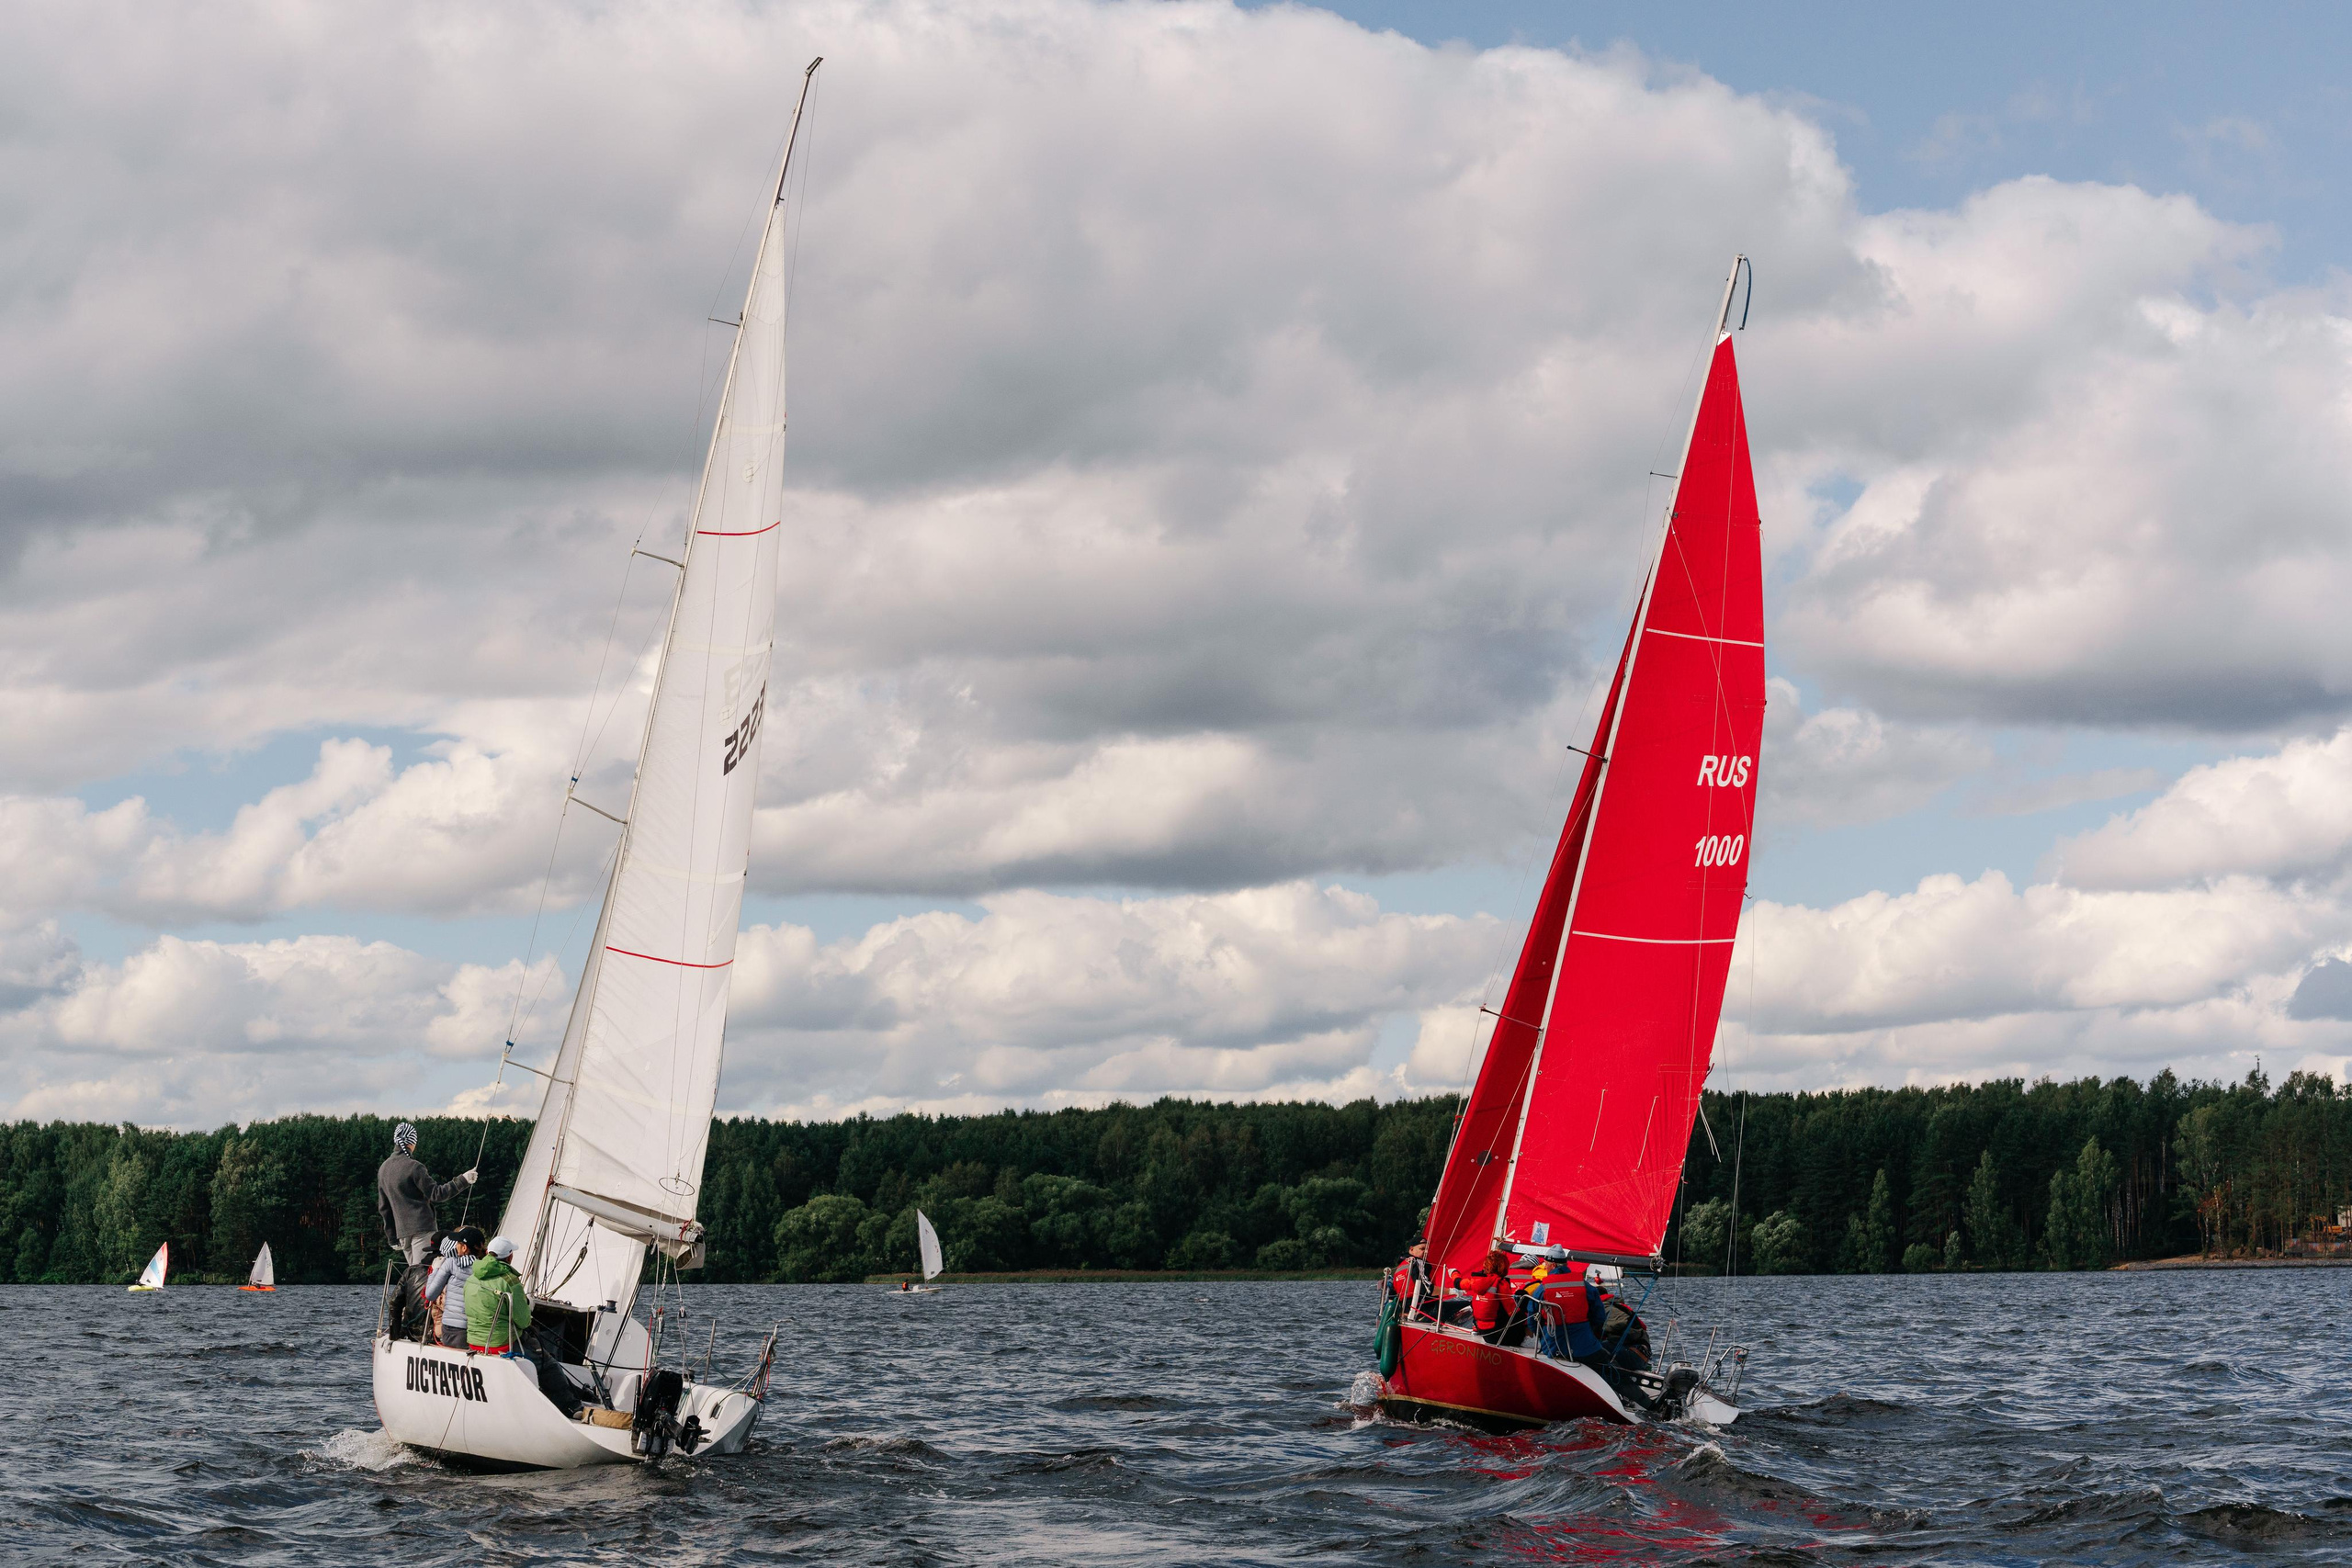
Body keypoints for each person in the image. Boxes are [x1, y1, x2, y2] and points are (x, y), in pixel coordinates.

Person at [376, 1122, 478, 1267]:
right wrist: (464, 1180)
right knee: (422, 1273)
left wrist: (391, 1237)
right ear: (412, 1142)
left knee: (413, 1272)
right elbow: (437, 1194)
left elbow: (384, 1208)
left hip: (402, 1233)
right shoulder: (415, 1167)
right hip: (422, 1229)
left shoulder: (383, 1169)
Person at [465, 1235, 533, 1359]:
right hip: (501, 1344)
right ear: (510, 1257)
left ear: (487, 1252)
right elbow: (523, 1322)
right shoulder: (511, 1281)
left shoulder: (471, 1278)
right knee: (550, 1366)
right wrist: (529, 1308)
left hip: (473, 1342)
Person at [424, 1231, 478, 1349]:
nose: (455, 1246)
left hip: (451, 1329)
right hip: (476, 1329)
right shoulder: (484, 1267)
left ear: (464, 1247)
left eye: (458, 1243)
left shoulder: (451, 1263)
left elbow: (430, 1295)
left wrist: (435, 1269)